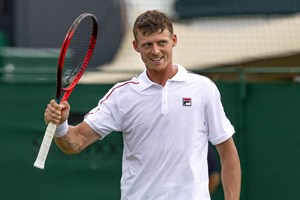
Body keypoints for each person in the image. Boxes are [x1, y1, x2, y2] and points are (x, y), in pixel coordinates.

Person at [44, 10, 241, 200]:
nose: (155, 51)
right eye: (147, 44)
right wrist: (61, 125)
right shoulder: (122, 95)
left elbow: (228, 154)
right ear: (136, 46)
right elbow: (75, 142)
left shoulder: (203, 88)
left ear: (174, 41)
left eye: (161, 42)